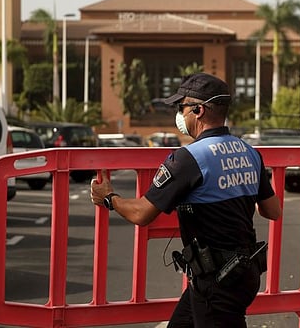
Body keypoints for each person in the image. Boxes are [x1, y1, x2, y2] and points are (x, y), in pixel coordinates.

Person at [90, 72, 282, 327]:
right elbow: (272, 210)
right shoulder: (249, 152)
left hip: (218, 282)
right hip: (240, 273)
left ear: (199, 110)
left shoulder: (189, 158)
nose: (180, 115)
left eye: (182, 108)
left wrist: (109, 198)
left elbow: (142, 213)